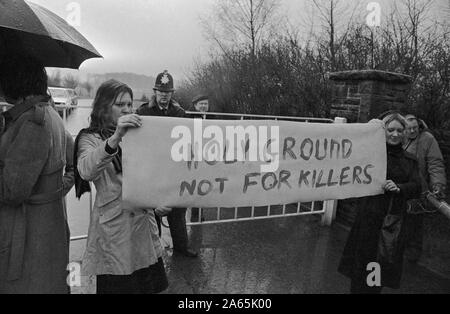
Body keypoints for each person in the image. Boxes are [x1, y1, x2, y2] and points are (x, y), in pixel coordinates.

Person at [74, 79, 171, 294]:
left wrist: (158, 203)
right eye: (120, 104)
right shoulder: (89, 137)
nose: (127, 109)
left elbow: (150, 176)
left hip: (143, 228)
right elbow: (86, 170)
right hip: (115, 231)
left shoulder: (140, 134)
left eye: (129, 104)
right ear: (104, 107)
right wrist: (116, 137)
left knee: (152, 288)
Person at [0, 54, 70, 294]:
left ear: (14, 82)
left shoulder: (32, 122)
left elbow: (12, 191)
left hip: (27, 236)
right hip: (48, 229)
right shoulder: (51, 115)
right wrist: (54, 191)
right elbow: (73, 163)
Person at [338, 113, 421, 294]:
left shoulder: (410, 160)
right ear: (383, 131)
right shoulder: (371, 154)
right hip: (367, 218)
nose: (395, 134)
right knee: (360, 265)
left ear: (405, 133)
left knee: (379, 266)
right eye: (390, 130)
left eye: (399, 130)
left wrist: (400, 187)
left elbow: (417, 186)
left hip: (390, 222)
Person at [137, 70, 198, 258]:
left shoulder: (180, 113)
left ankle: (181, 247)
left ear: (172, 93)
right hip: (152, 170)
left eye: (167, 92)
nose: (164, 95)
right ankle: (153, 251)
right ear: (155, 92)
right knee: (152, 213)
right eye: (161, 92)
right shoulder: (143, 112)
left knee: (177, 211)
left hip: (173, 169)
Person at [403, 114, 447, 262]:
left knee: (415, 223)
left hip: (419, 189)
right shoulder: (398, 136)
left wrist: (438, 185)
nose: (412, 131)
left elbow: (435, 164)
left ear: (419, 126)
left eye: (414, 128)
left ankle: (412, 255)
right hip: (400, 187)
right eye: (408, 128)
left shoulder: (427, 139)